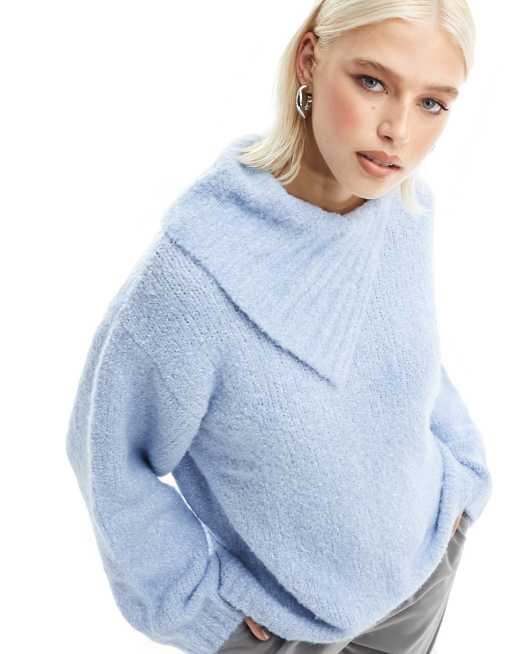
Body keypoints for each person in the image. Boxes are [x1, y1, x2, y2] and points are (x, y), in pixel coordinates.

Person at [65, 2, 492, 653]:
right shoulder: (195, 276)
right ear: (310, 60)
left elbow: (401, 356)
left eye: (431, 103)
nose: (397, 131)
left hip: (424, 576)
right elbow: (106, 455)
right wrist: (202, 610)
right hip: (288, 631)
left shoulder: (404, 207)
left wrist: (461, 478)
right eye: (372, 82)